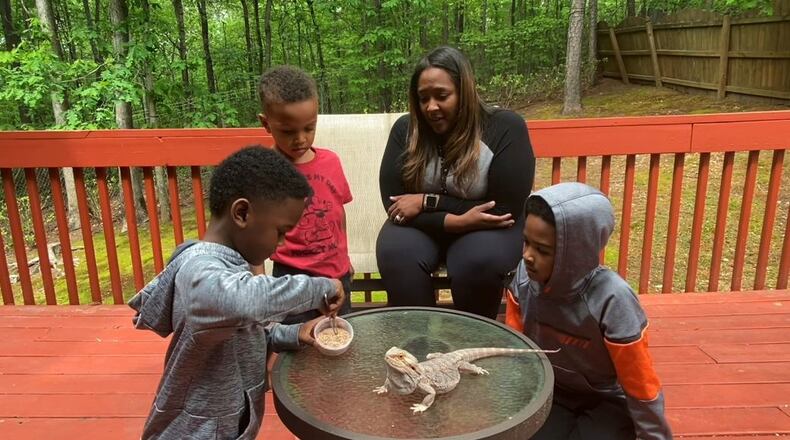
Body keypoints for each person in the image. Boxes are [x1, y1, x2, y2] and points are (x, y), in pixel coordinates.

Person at [128, 146, 346, 439]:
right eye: (280, 231)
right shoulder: (199, 270)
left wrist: (292, 334)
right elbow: (243, 302)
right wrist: (321, 286)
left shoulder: (230, 268)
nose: (280, 244)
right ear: (242, 213)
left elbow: (243, 331)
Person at [376, 46, 535, 319]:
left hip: (490, 228)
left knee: (478, 260)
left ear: (465, 91)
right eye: (423, 98)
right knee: (396, 252)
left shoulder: (504, 128)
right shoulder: (406, 130)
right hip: (424, 228)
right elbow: (394, 203)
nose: (431, 107)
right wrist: (455, 221)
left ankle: (472, 345)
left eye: (442, 96)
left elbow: (503, 209)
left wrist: (428, 202)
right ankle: (416, 347)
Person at [506, 182, 673, 439]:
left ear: (575, 252)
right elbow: (515, 353)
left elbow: (640, 384)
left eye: (542, 250)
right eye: (526, 242)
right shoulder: (524, 278)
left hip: (606, 400)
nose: (527, 256)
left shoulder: (613, 299)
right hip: (551, 391)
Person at [258, 65, 354, 320]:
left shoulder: (331, 162)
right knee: (297, 347)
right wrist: (259, 286)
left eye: (309, 128)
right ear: (266, 124)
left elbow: (338, 213)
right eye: (288, 131)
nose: (300, 139)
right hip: (290, 280)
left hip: (336, 276)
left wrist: (346, 260)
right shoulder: (264, 170)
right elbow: (254, 233)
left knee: (338, 339)